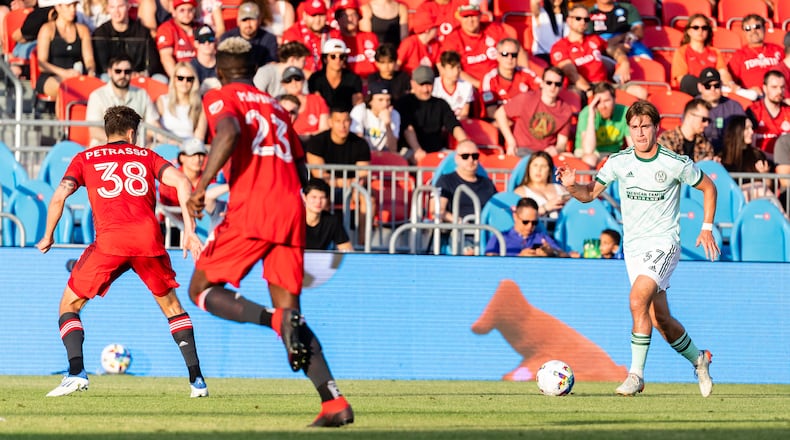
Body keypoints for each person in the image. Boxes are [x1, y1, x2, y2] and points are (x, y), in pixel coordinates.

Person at [186, 37, 354, 427]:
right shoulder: (277, 107)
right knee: (292, 312)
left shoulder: (220, 95)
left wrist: (202, 185)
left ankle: (273, 322)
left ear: (222, 71)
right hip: (290, 207)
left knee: (200, 290)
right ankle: (334, 402)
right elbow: (301, 169)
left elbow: (227, 132)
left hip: (253, 208)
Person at [37, 105, 207, 398]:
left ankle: (76, 373)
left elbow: (60, 195)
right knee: (173, 309)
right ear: (132, 133)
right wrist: (189, 231)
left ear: (108, 131)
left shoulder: (84, 158)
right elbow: (182, 182)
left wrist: (48, 235)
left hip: (110, 242)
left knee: (69, 306)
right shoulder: (147, 156)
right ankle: (197, 382)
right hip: (148, 241)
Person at [557, 99, 718, 398]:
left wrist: (706, 227)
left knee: (636, 301)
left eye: (646, 126)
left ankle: (636, 375)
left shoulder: (674, 162)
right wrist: (570, 186)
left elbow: (709, 187)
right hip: (633, 249)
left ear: (657, 128)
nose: (640, 133)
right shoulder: (619, 162)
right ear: (628, 129)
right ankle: (699, 359)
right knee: (661, 321)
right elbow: (589, 194)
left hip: (665, 244)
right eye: (634, 127)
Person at [551, 4, 644, 101]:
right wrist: (589, 90)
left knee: (640, 92)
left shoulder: (594, 39)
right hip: (582, 87)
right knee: (573, 96)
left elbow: (613, 50)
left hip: (605, 84)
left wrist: (625, 63)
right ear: (569, 20)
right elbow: (571, 73)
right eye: (578, 18)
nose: (583, 22)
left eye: (586, 19)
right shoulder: (560, 46)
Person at [394, 65, 468, 164]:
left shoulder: (441, 104)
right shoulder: (404, 103)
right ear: (413, 84)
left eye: (429, 84)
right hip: (410, 149)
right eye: (421, 85)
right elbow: (408, 129)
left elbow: (454, 125)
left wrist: (465, 143)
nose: (425, 89)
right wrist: (417, 150)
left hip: (437, 150)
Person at [433, 140, 497, 255]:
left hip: (485, 233)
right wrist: (459, 222)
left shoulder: (487, 183)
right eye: (465, 156)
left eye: (475, 156)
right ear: (457, 159)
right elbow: (436, 210)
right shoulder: (446, 181)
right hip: (459, 232)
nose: (471, 160)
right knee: (470, 252)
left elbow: (497, 211)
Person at [494, 66, 574, 157]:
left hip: (546, 154)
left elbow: (562, 143)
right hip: (522, 150)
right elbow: (500, 113)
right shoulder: (527, 98)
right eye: (549, 83)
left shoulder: (565, 110)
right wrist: (511, 141)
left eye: (557, 84)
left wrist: (556, 149)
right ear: (542, 83)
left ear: (561, 86)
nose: (553, 87)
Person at [85, 54, 160, 146]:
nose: (123, 75)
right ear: (109, 72)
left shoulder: (142, 94)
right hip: (104, 146)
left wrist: (173, 142)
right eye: (118, 71)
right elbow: (94, 131)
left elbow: (153, 126)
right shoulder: (97, 95)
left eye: (127, 72)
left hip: (137, 146)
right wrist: (121, 143)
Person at [442, 3, 517, 89]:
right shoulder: (453, 39)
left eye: (473, 16)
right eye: (466, 17)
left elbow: (516, 49)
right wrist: (481, 85)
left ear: (480, 16)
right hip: (472, 87)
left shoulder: (493, 29)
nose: (470, 20)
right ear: (460, 19)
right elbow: (452, 70)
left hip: (502, 81)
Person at [36, 0, 96, 99]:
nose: (73, 9)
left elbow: (89, 59)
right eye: (68, 6)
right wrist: (64, 73)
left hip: (77, 76)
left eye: (74, 5)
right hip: (51, 76)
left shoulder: (82, 30)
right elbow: (42, 63)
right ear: (58, 7)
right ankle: (62, 114)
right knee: (66, 88)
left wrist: (91, 72)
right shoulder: (47, 29)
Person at [671, 14, 736, 97]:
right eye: (696, 27)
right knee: (687, 80)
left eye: (704, 28)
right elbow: (682, 79)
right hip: (692, 94)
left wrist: (730, 83)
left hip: (713, 91)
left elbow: (723, 72)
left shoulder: (715, 52)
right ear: (689, 31)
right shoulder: (681, 52)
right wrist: (705, 88)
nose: (700, 30)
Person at [92, 0, 162, 78]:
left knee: (160, 79)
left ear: (128, 6)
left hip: (137, 76)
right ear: (108, 9)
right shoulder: (101, 33)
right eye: (112, 7)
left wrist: (141, 74)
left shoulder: (142, 33)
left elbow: (153, 61)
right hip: (111, 77)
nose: (116, 12)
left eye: (120, 6)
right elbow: (102, 65)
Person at [484, 197, 572, 257]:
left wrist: (552, 252)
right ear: (515, 216)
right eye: (525, 222)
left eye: (534, 222)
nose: (530, 226)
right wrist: (518, 257)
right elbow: (489, 259)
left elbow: (564, 254)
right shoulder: (500, 237)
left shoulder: (542, 237)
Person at [481, 37, 541, 120]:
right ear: (497, 56)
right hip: (503, 123)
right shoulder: (490, 79)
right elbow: (491, 113)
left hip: (527, 121)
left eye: (514, 55)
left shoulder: (527, 73)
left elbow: (544, 94)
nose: (510, 58)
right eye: (505, 54)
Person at [576, 81, 632, 167]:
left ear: (614, 99)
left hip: (614, 154)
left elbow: (633, 145)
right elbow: (588, 150)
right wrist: (591, 116)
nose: (603, 106)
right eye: (598, 102)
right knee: (590, 159)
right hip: (587, 154)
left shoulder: (625, 112)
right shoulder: (586, 113)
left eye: (606, 101)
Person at [728, 14, 782, 98]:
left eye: (757, 27)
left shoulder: (777, 50)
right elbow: (731, 83)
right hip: (753, 98)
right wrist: (747, 91)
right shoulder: (739, 55)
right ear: (744, 32)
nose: (753, 31)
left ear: (764, 29)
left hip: (779, 96)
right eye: (748, 29)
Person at [695, 67, 746, 155]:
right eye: (708, 86)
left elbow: (743, 134)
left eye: (716, 85)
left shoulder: (734, 107)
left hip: (729, 155)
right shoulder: (693, 107)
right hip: (700, 155)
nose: (712, 89)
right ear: (700, 87)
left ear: (721, 85)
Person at [218, 1, 277, 70]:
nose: (248, 24)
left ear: (259, 20)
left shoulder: (269, 39)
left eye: (252, 19)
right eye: (244, 20)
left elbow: (272, 65)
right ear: (238, 21)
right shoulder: (227, 38)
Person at [308, 38, 363, 110]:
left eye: (342, 56)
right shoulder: (316, 79)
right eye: (333, 56)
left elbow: (357, 105)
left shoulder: (353, 78)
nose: (338, 60)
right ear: (325, 59)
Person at [156, 61, 207, 140]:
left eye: (189, 79)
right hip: (165, 147)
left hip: (189, 149)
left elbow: (199, 136)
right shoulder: (162, 101)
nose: (184, 82)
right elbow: (154, 129)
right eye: (180, 78)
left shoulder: (199, 105)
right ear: (174, 79)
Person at [513, 150, 570, 220]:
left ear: (549, 170)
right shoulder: (520, 192)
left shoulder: (561, 189)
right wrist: (544, 208)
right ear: (529, 168)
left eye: (543, 166)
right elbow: (519, 218)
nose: (538, 170)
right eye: (535, 165)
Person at [746, 70, 790, 158]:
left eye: (782, 87)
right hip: (758, 162)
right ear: (765, 88)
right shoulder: (753, 111)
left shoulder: (788, 111)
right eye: (774, 87)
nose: (779, 91)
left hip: (785, 163)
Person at [587, 0, 651, 59]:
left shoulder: (628, 8)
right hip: (601, 49)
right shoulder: (588, 13)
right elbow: (585, 39)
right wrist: (612, 44)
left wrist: (626, 44)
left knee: (646, 62)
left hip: (630, 45)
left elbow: (638, 31)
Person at [657, 97, 715, 163]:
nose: (707, 124)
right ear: (690, 116)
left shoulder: (705, 144)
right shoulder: (667, 139)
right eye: (704, 119)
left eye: (709, 120)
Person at [333, 0, 379, 80]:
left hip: (375, 84)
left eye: (353, 14)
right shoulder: (336, 41)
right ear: (338, 19)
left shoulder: (371, 37)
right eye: (344, 15)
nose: (350, 19)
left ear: (359, 16)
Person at [281, 0, 330, 74]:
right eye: (313, 15)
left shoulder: (333, 33)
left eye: (321, 15)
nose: (317, 20)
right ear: (304, 15)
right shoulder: (293, 33)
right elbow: (287, 66)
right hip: (300, 79)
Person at [350, 80, 400, 153]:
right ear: (370, 101)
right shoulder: (359, 110)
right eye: (380, 100)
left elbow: (393, 149)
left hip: (384, 155)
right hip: (363, 154)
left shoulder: (394, 114)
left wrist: (387, 124)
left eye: (388, 100)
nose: (385, 104)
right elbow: (357, 141)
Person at [304, 178, 353, 251]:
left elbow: (347, 250)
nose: (318, 201)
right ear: (304, 197)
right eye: (314, 197)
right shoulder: (294, 220)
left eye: (322, 197)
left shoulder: (332, 221)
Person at [281, 66, 329, 141]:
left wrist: (307, 136)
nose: (293, 82)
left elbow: (325, 129)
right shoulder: (279, 104)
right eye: (288, 80)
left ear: (303, 80)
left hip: (315, 144)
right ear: (283, 84)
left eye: (297, 78)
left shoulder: (318, 100)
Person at [155, 0, 199, 78]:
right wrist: (178, 79)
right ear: (174, 12)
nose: (186, 14)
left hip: (199, 73)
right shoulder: (166, 29)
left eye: (190, 10)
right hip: (176, 75)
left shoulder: (201, 28)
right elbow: (166, 57)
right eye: (182, 10)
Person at [432, 50, 474, 119]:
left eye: (458, 67)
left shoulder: (467, 86)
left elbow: (464, 114)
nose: (456, 71)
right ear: (443, 69)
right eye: (452, 68)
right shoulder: (434, 86)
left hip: (460, 125)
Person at [395, 10, 439, 75]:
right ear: (427, 30)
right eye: (435, 27)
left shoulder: (434, 44)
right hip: (409, 80)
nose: (438, 29)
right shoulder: (409, 42)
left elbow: (440, 66)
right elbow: (397, 65)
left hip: (428, 81)